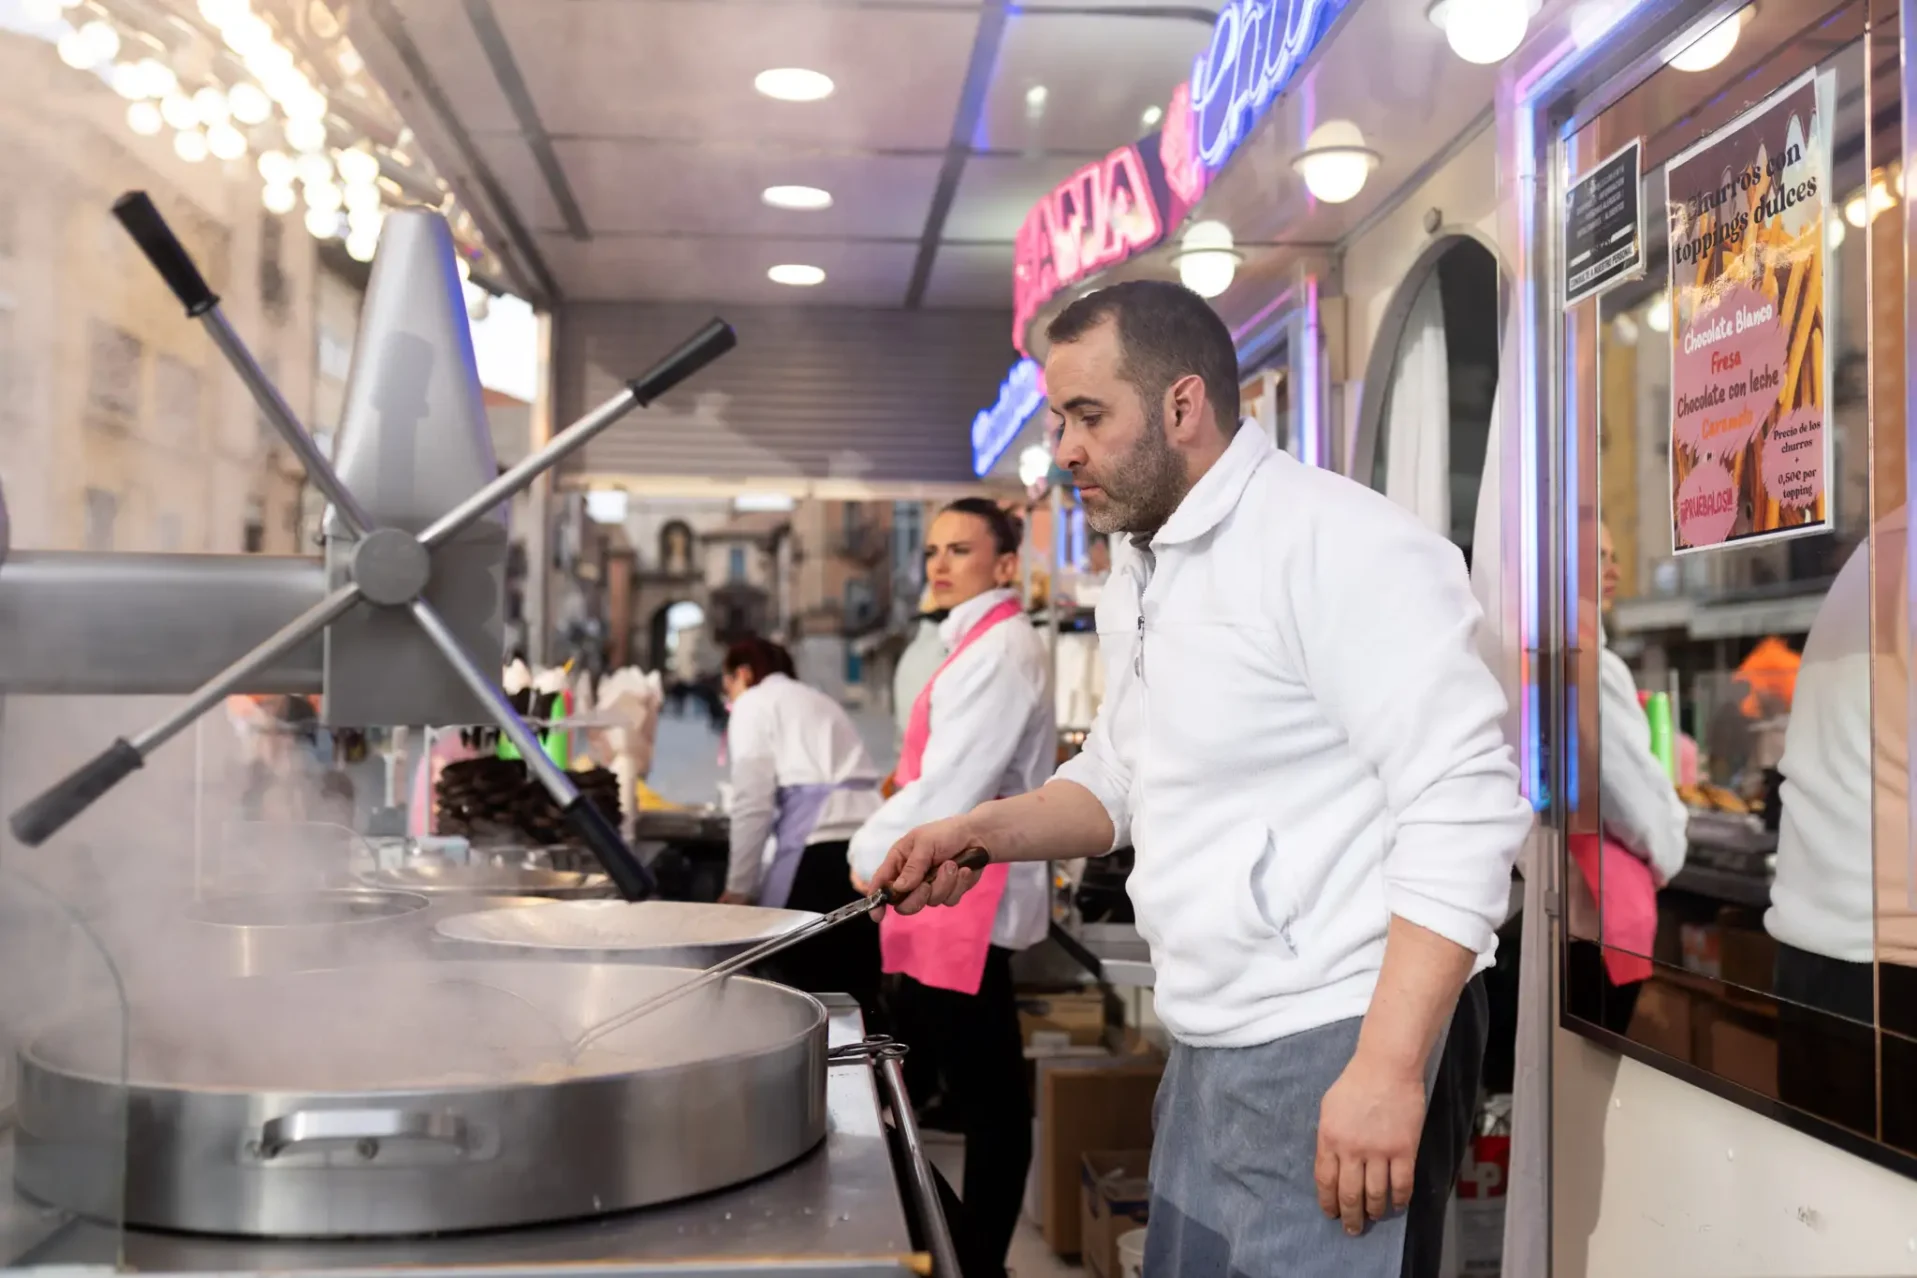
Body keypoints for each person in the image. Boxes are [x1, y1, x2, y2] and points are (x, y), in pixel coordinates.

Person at [868, 281, 1532, 1278]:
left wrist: (1390, 1069)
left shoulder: (1338, 544)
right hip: (1211, 1034)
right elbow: (1124, 774)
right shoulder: (1146, 565)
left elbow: (1468, 800)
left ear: (1184, 406)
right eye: (1061, 420)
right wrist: (982, 832)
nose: (1066, 450)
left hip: (1341, 1027)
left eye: (1090, 416)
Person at [847, 498, 1053, 1270]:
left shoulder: (1001, 649)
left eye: (958, 549)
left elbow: (953, 784)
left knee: (989, 1105)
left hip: (964, 895)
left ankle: (978, 1258)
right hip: (943, 893)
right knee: (949, 1091)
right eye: (931, 549)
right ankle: (957, 1250)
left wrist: (871, 855)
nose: (937, 563)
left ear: (1004, 566)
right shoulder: (966, 643)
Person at [717, 636, 885, 1015]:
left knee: (809, 1003)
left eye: (726, 684)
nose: (726, 696)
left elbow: (752, 803)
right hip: (865, 852)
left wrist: (739, 888)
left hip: (816, 859)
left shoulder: (753, 703)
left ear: (742, 674)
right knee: (857, 999)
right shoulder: (817, 699)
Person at [1567, 524, 1690, 1035]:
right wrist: (1669, 848)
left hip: (1571, 898)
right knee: (1594, 1072)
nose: (1615, 571)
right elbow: (1629, 794)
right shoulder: (1590, 660)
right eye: (1599, 556)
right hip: (1603, 904)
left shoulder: (1541, 651)